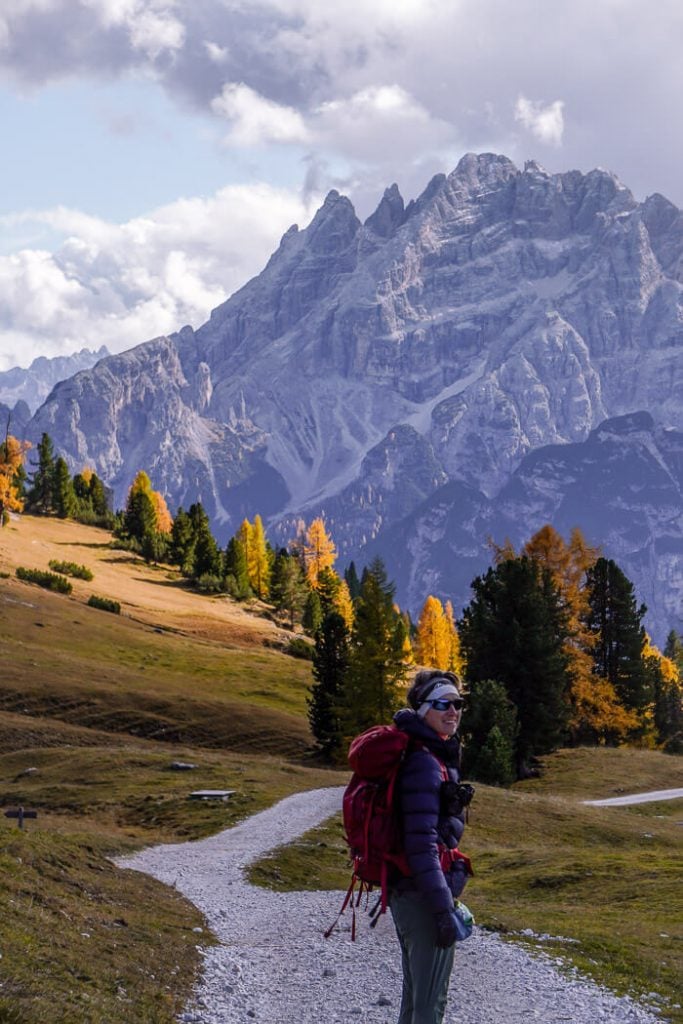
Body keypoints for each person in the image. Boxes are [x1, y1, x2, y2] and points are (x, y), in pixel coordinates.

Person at [390, 668, 469, 1024]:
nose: (453, 711)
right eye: (443, 703)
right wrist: (441, 911)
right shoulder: (424, 762)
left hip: (411, 892)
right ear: (424, 709)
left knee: (416, 997)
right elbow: (420, 847)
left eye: (458, 703)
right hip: (422, 896)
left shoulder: (428, 755)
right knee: (429, 1004)